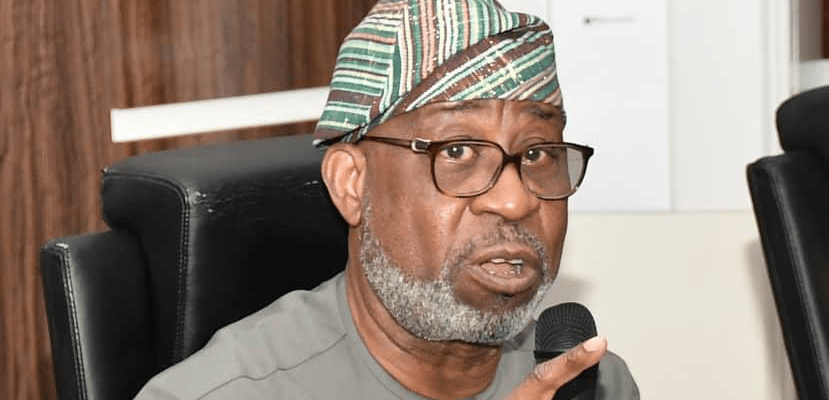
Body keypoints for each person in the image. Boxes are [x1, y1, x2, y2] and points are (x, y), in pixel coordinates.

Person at [133, 0, 640, 399]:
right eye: (457, 151)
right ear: (352, 184)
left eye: (537, 154)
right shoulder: (221, 394)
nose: (514, 200)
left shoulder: (586, 384)